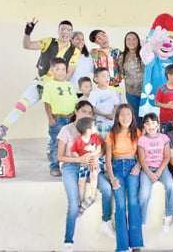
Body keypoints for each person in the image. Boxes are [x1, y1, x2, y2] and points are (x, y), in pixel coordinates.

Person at [0, 18, 80, 144]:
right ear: (58, 31)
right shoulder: (48, 42)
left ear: (71, 33)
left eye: (69, 30)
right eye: (63, 29)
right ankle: (0, 131)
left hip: (57, 88)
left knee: (57, 117)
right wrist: (27, 33)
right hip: (40, 84)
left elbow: (70, 72)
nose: (65, 32)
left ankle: (56, 145)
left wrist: (58, 87)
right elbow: (27, 45)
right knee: (20, 106)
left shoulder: (74, 51)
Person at [57, 101, 115, 252]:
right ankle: (68, 241)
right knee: (74, 203)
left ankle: (105, 222)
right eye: (83, 111)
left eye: (90, 113)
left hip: (89, 165)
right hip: (71, 166)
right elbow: (60, 157)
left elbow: (101, 149)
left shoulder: (92, 130)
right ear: (76, 111)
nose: (86, 115)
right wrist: (79, 160)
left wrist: (93, 157)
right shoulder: (66, 130)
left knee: (107, 189)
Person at [105, 104, 143, 252]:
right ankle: (122, 246)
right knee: (120, 205)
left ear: (132, 117)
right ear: (117, 117)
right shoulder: (112, 133)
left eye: (128, 114)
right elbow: (108, 159)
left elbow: (141, 155)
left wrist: (138, 166)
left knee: (133, 202)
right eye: (122, 115)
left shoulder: (137, 132)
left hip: (132, 166)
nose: (126, 118)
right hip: (117, 169)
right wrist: (113, 178)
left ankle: (136, 243)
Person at [137, 113, 173, 233]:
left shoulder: (164, 138)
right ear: (144, 126)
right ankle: (141, 222)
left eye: (153, 123)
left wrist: (159, 171)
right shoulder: (142, 139)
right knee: (144, 193)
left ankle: (169, 215)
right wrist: (150, 174)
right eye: (147, 123)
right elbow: (142, 159)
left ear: (158, 125)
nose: (151, 126)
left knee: (170, 185)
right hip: (147, 169)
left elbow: (167, 157)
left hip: (161, 168)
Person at [42, 58, 78, 176]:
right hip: (58, 119)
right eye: (57, 69)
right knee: (56, 144)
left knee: (71, 142)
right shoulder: (49, 86)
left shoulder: (69, 85)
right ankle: (54, 166)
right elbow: (47, 103)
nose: (61, 72)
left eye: (63, 69)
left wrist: (75, 115)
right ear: (52, 70)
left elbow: (75, 101)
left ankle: (69, 165)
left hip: (70, 118)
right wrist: (50, 118)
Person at [70, 117, 103, 215]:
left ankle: (92, 196)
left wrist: (91, 155)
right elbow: (73, 151)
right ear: (88, 130)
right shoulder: (78, 140)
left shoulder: (95, 137)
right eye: (94, 126)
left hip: (94, 160)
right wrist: (80, 158)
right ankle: (81, 202)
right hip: (84, 162)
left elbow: (99, 149)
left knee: (93, 173)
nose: (96, 127)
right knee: (81, 181)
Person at [118, 31, 144, 128]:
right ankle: (137, 138)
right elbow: (120, 74)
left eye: (134, 39)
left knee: (147, 117)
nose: (131, 41)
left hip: (146, 91)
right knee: (136, 117)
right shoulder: (122, 56)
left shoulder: (144, 54)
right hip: (131, 92)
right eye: (128, 39)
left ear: (138, 41)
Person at [88, 67, 120, 140]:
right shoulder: (94, 93)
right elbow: (92, 108)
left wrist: (113, 115)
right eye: (103, 76)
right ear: (96, 79)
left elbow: (116, 105)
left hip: (111, 122)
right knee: (102, 142)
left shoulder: (112, 91)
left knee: (111, 141)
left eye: (108, 76)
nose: (106, 78)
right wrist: (105, 115)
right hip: (100, 122)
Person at [89, 29, 122, 99]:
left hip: (115, 88)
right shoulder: (94, 54)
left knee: (117, 109)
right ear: (96, 42)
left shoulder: (117, 52)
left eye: (104, 36)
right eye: (99, 38)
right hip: (101, 89)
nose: (103, 39)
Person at [69, 31, 94, 97]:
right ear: (71, 40)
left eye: (82, 39)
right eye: (77, 39)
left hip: (85, 92)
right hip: (71, 91)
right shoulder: (67, 55)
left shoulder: (88, 56)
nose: (80, 41)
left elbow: (93, 70)